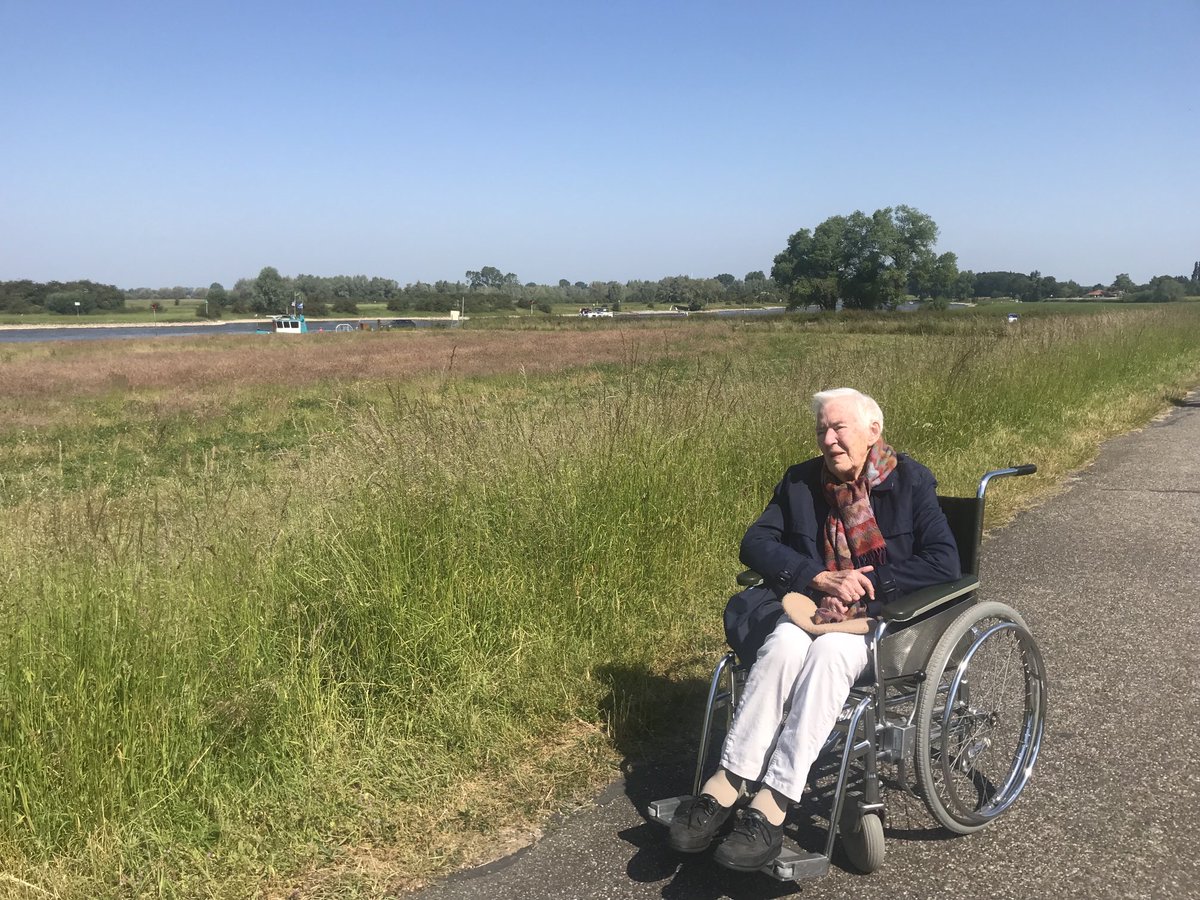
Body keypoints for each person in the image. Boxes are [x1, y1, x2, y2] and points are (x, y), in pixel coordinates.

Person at [668, 387, 961, 871]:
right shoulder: (801, 482)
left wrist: (868, 583)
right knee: (783, 642)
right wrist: (819, 577)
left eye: (838, 427)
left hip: (882, 621)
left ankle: (774, 803)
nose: (828, 439)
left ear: (873, 431)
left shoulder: (910, 482)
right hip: (812, 610)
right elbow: (756, 541)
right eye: (821, 429)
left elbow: (944, 561)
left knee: (828, 656)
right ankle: (729, 782)